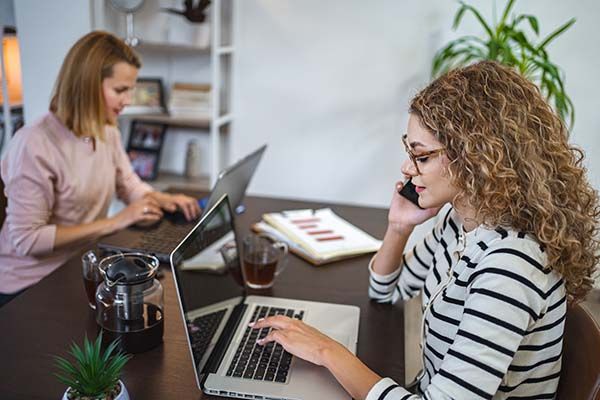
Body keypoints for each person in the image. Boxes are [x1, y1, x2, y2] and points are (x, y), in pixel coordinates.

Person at [250, 61, 600, 399]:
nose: (407, 166)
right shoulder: (462, 223)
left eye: (422, 156)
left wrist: (327, 351)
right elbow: (386, 291)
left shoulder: (510, 266)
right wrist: (399, 227)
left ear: (475, 157)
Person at [0, 31, 201, 306]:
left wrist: (164, 199)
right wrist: (115, 222)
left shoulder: (105, 130)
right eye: (120, 90)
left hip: (80, 265)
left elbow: (128, 183)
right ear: (87, 86)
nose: (128, 100)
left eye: (130, 88)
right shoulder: (34, 145)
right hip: (29, 286)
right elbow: (27, 240)